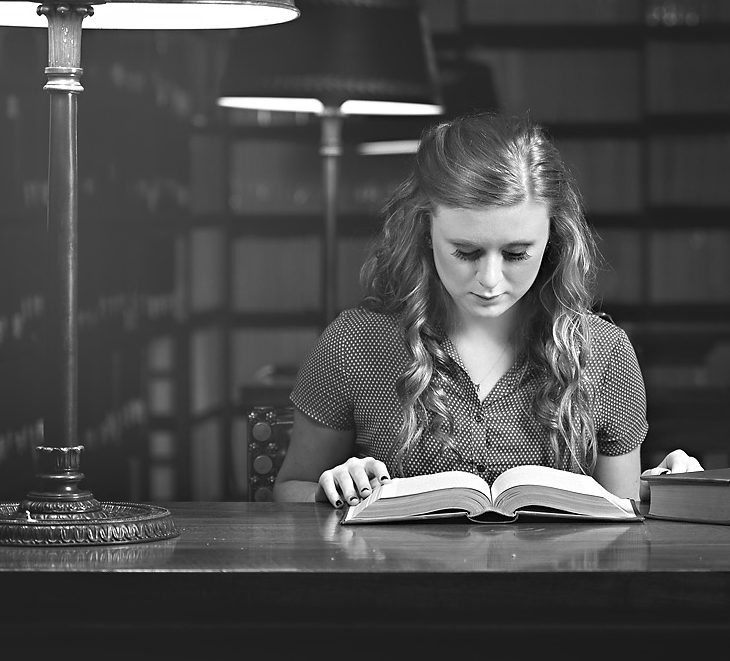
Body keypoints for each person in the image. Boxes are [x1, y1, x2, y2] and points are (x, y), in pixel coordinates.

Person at [274, 111, 701, 508]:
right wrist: (334, 487)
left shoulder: (605, 355)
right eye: (465, 252)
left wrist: (662, 489)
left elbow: (620, 516)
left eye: (516, 254)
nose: (490, 280)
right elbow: (289, 489)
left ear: (553, 239)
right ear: (425, 231)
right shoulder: (353, 346)